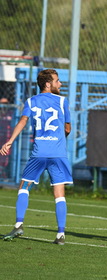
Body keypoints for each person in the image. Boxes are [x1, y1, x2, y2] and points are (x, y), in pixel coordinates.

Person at [1, 69, 72, 245]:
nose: (60, 84)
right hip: (58, 154)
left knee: (24, 186)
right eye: (57, 81)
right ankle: (61, 234)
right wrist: (59, 138)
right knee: (59, 193)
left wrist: (9, 141)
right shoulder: (63, 101)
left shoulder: (31, 101)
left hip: (39, 153)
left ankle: (18, 224)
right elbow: (68, 129)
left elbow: (23, 121)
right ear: (48, 84)